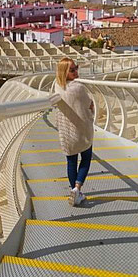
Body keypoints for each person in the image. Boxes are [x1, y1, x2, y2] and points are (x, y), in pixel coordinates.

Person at [54, 57, 94, 206]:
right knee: (86, 157)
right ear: (65, 72)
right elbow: (89, 104)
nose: (76, 71)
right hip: (82, 130)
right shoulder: (78, 87)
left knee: (71, 161)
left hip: (66, 131)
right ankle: (77, 189)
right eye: (72, 70)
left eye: (76, 67)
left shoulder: (57, 87)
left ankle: (74, 191)